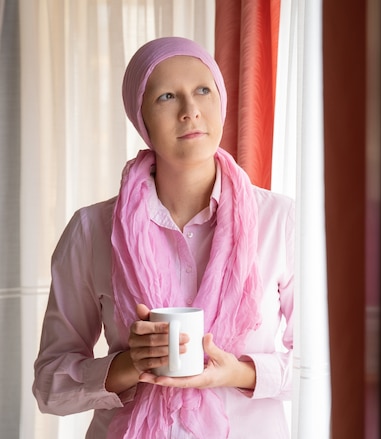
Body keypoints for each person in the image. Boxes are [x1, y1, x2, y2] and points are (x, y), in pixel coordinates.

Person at [32, 36, 294, 439]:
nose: (190, 111)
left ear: (221, 102)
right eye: (168, 97)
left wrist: (239, 373)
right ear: (142, 119)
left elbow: (328, 364)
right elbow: (50, 386)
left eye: (203, 90)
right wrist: (126, 366)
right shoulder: (90, 231)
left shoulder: (280, 221)